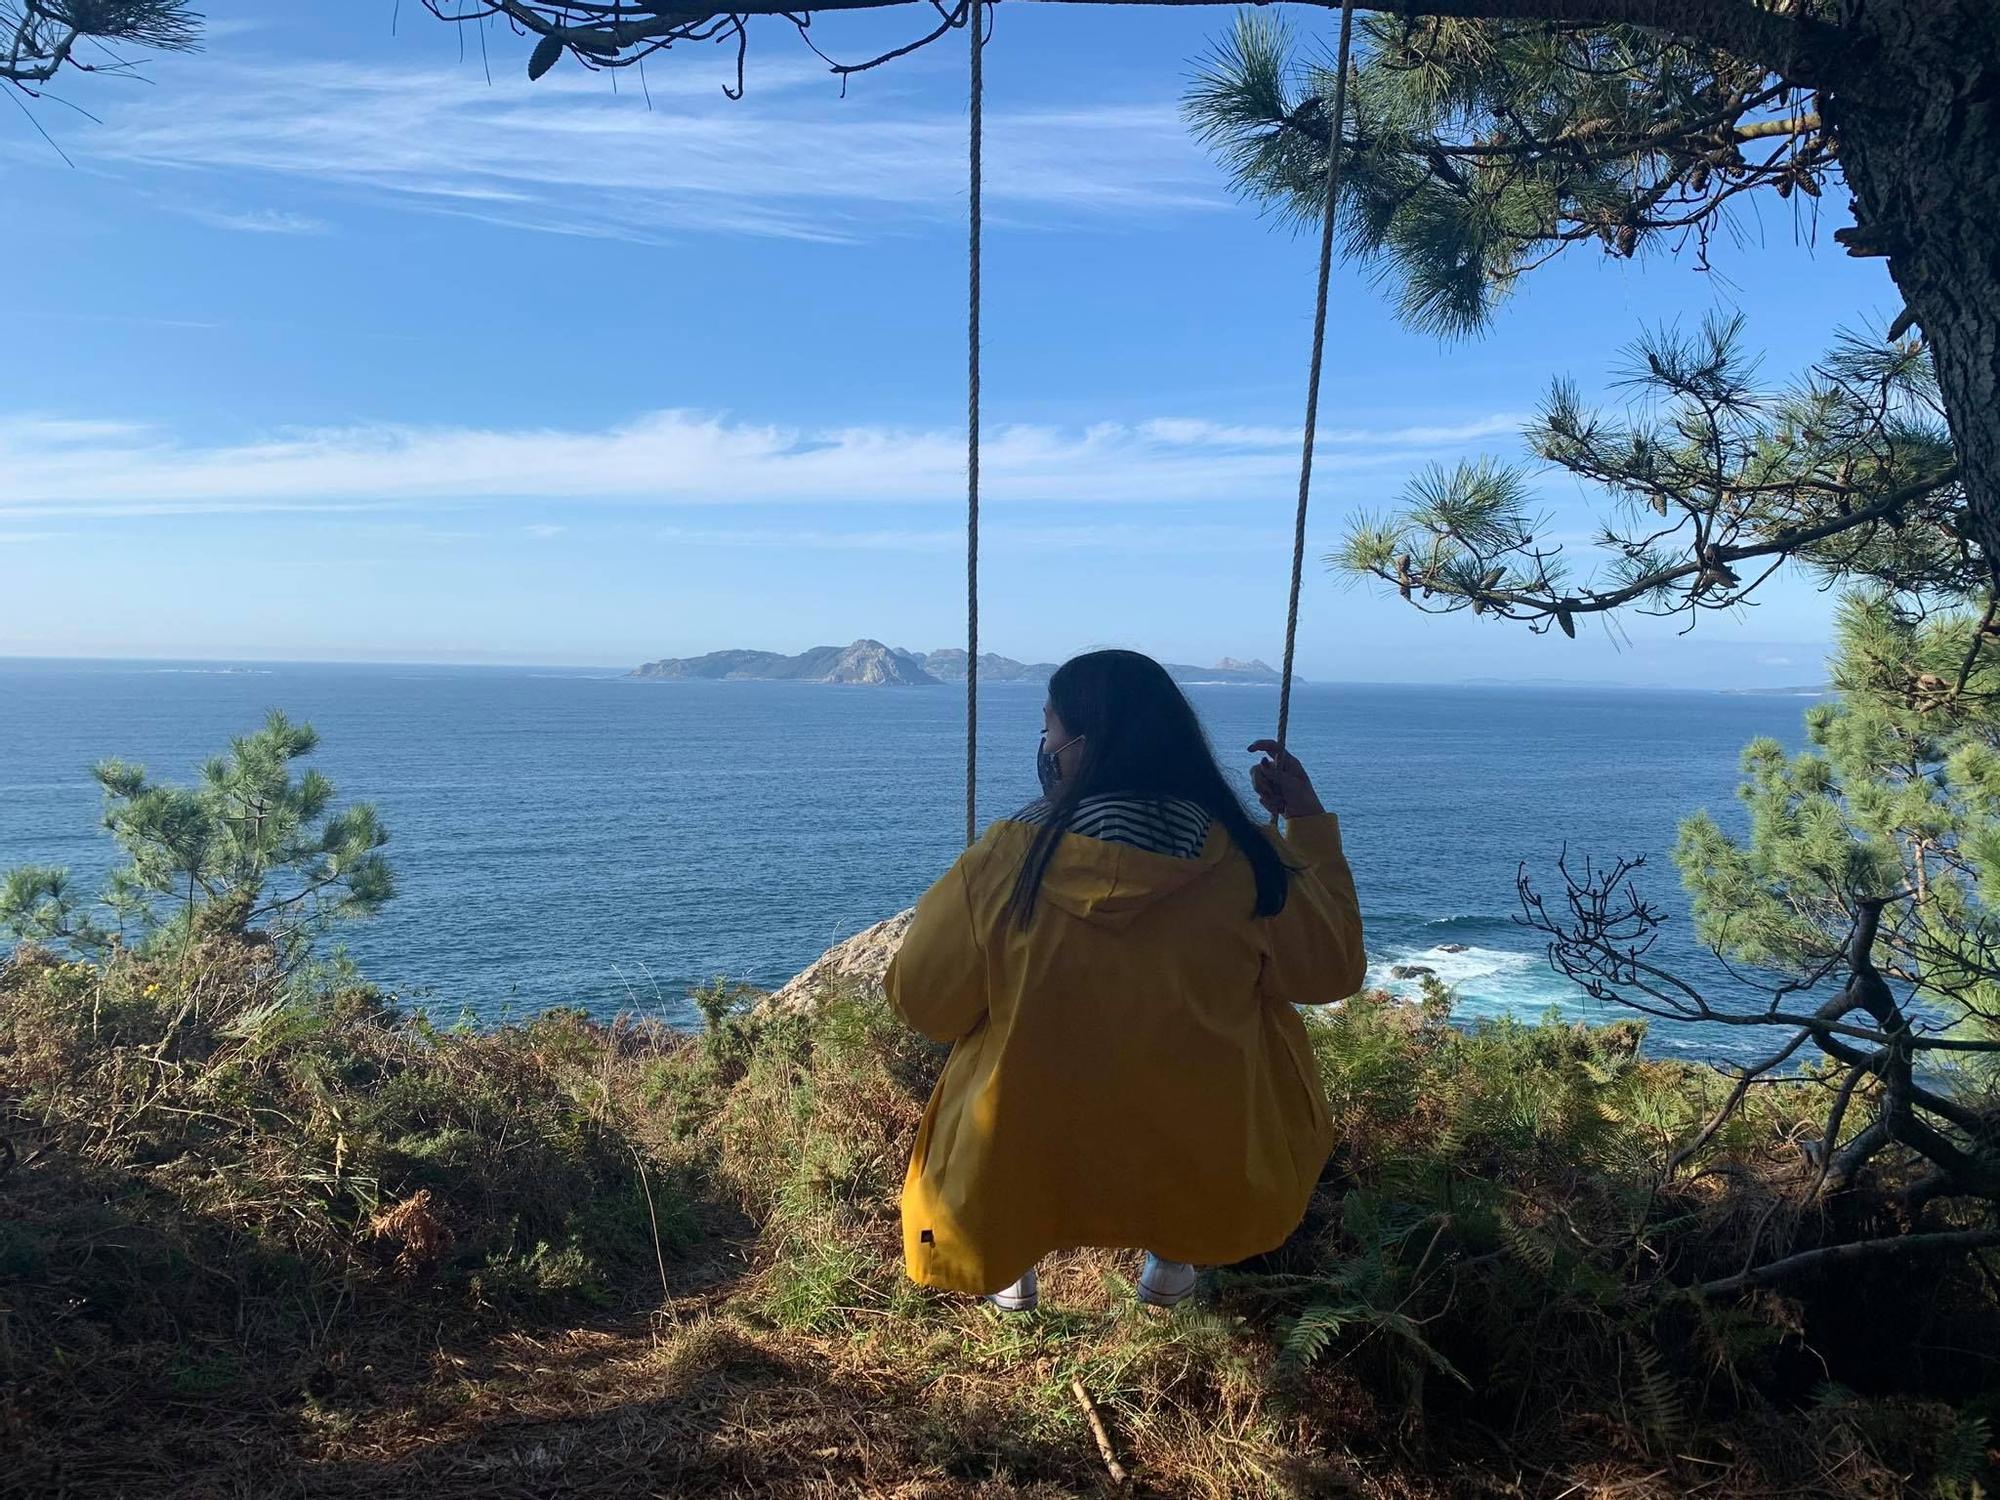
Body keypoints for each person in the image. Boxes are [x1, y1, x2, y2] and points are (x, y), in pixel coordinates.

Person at [885, 649, 1366, 1312]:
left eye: (1048, 728)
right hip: (1205, 1152)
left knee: (995, 1064)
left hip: (1028, 1143)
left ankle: (1008, 1254)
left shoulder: (1002, 861)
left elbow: (924, 1003)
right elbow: (1331, 970)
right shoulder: (1250, 859)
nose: (1043, 744)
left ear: (1084, 745)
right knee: (1209, 1081)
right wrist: (1309, 826)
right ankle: (1174, 1256)